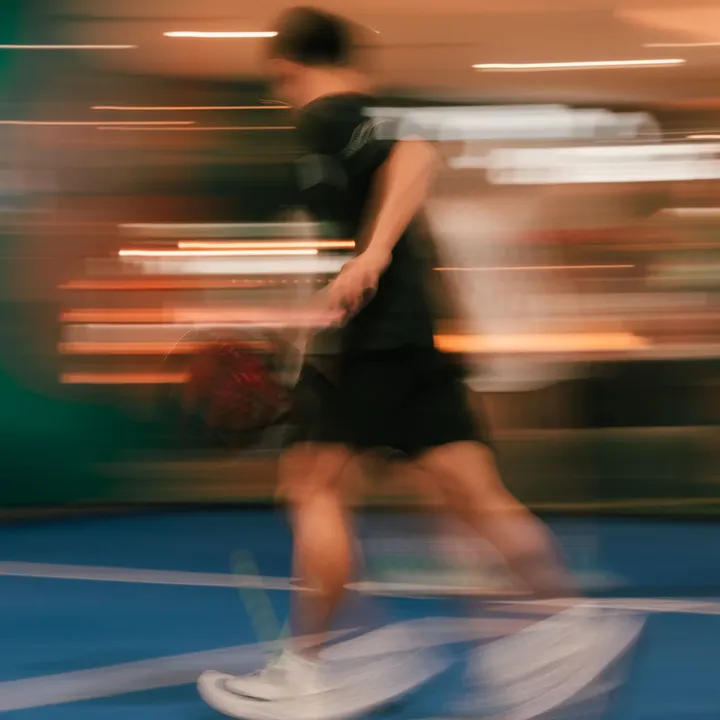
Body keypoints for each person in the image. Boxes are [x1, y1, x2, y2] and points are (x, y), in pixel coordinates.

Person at [198, 8, 642, 720]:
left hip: (372, 342)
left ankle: (317, 669)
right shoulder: (362, 117)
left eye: (277, 79)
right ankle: (574, 623)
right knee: (472, 492)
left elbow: (415, 156)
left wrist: (369, 257)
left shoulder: (330, 116)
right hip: (407, 337)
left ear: (285, 67)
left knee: (312, 486)